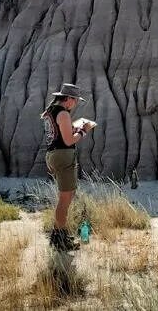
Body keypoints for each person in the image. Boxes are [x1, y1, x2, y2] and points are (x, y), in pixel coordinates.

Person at [43, 83, 95, 250]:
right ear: (68, 99)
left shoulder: (51, 112)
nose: (76, 104)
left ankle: (59, 236)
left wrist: (74, 128)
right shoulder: (63, 114)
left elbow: (58, 135)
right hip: (63, 156)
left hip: (53, 155)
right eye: (76, 101)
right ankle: (59, 239)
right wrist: (83, 131)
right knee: (64, 201)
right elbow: (68, 141)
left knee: (67, 196)